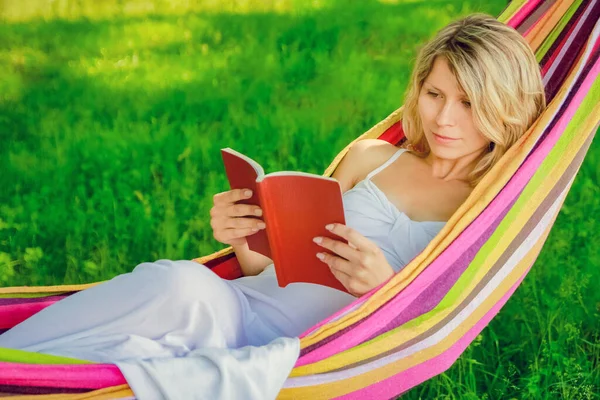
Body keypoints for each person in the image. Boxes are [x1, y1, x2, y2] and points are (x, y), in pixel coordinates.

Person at [0, 12, 545, 394]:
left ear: (504, 104)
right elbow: (272, 267)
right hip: (237, 307)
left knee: (152, 325)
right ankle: (18, 368)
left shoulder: (488, 211)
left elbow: (438, 332)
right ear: (418, 89)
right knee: (177, 283)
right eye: (435, 94)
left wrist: (385, 289)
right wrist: (245, 235)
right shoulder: (371, 157)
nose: (446, 118)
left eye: (471, 104)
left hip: (309, 354)